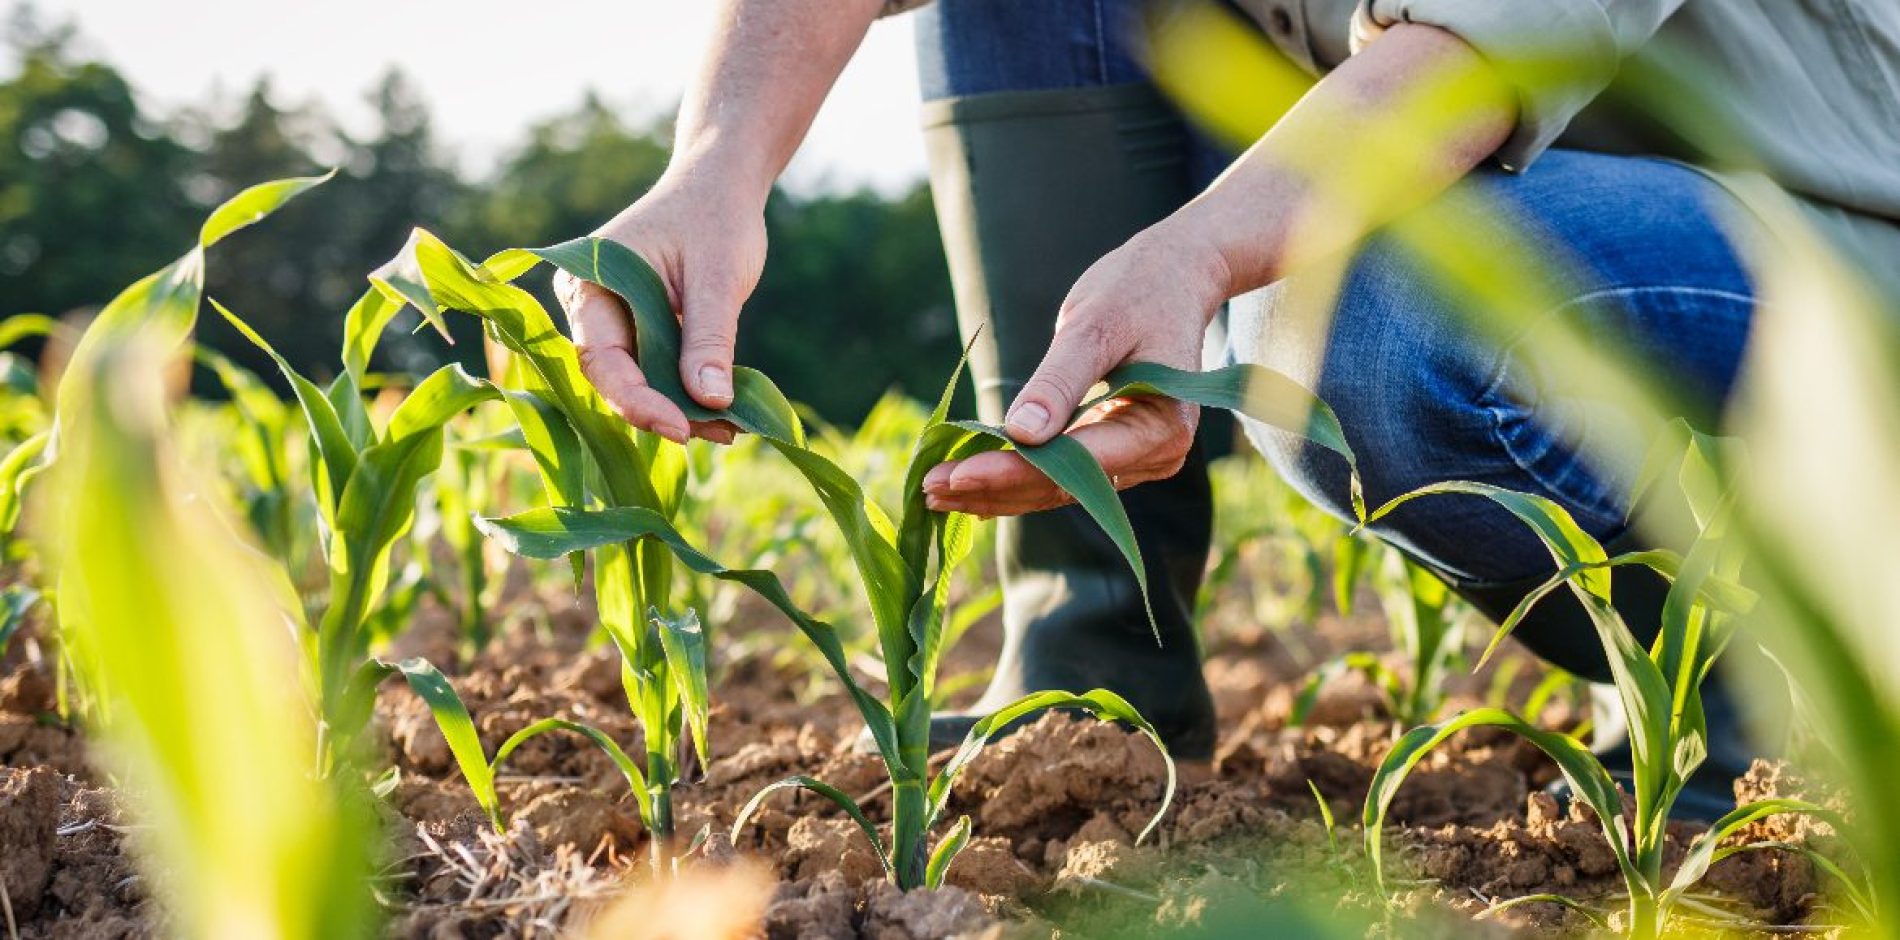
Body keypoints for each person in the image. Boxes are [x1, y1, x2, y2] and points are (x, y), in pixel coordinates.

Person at [554, 0, 1900, 818]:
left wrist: (1201, 256)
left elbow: (1473, 58)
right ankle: (1093, 661)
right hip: (1512, 197)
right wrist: (719, 164)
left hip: (1817, 225)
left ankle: (1793, 692)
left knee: (1352, 317)